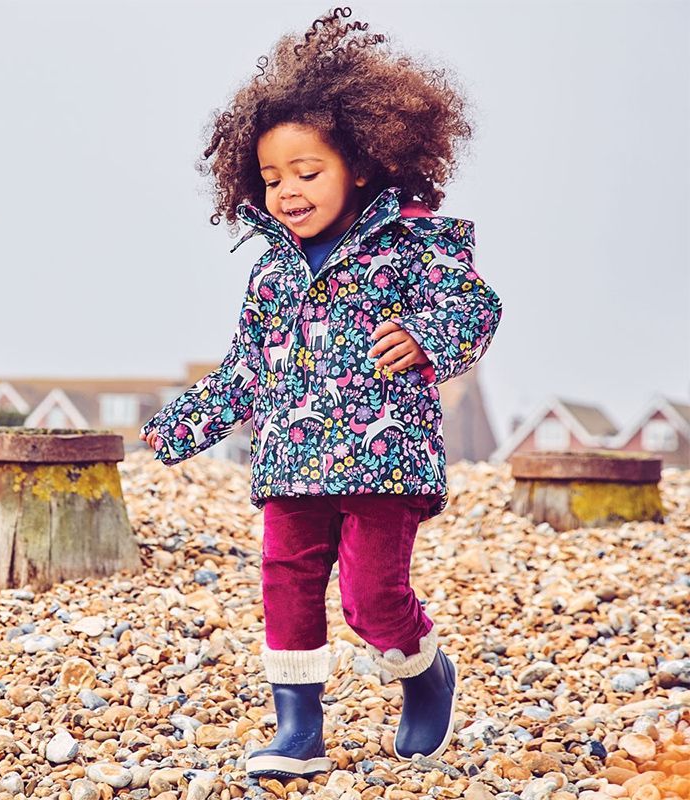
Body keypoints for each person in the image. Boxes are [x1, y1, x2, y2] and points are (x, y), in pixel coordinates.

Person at [140, 6, 503, 781]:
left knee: (373, 603)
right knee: (287, 586)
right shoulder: (270, 274)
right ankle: (298, 730)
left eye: (308, 173)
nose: (289, 192)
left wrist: (427, 341)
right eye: (273, 179)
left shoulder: (410, 247)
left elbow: (475, 308)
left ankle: (425, 672)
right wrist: (183, 424)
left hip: (384, 464)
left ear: (363, 165)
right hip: (287, 464)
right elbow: (246, 369)